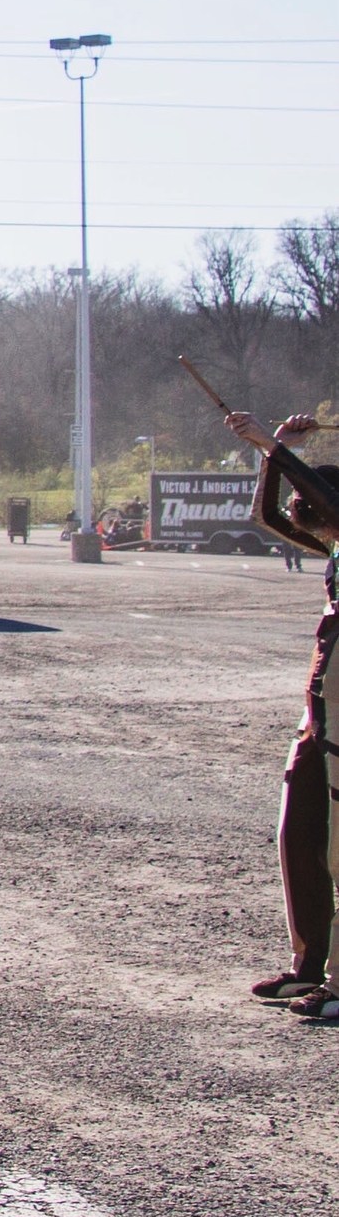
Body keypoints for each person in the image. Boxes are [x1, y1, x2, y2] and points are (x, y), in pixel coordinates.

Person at [230, 405, 339, 1014]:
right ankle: (308, 965)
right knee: (297, 832)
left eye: (321, 526)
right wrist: (271, 456)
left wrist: (279, 452)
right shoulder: (335, 541)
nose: (318, 538)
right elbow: (268, 516)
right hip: (321, 710)